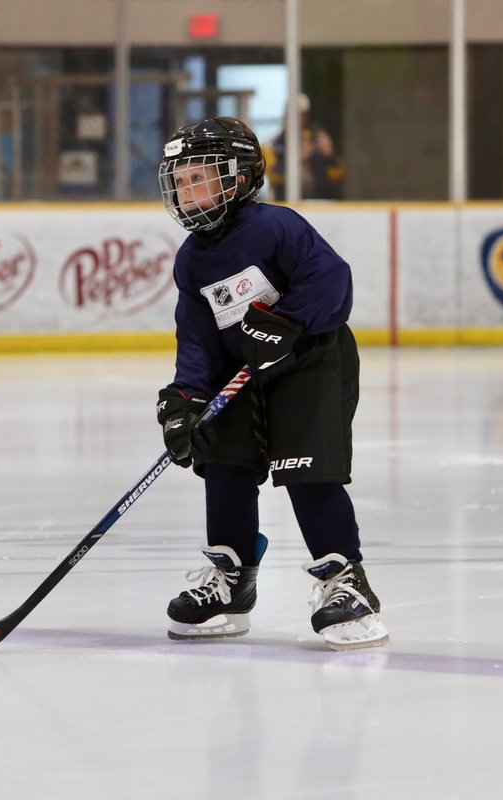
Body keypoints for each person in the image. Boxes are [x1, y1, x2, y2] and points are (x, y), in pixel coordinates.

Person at [153, 116, 387, 651]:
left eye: (198, 178)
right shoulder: (192, 261)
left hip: (311, 362)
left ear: (237, 179)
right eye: (180, 181)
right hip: (244, 374)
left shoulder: (276, 227)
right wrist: (185, 399)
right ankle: (232, 581)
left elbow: (333, 281)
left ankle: (345, 581)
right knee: (224, 459)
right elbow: (196, 338)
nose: (186, 192)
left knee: (305, 468)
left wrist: (288, 322)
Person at [264, 94, 345, 199]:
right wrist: (295, 158)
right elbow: (272, 176)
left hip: (320, 204)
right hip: (285, 203)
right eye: (293, 114)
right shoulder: (273, 145)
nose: (298, 118)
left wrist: (330, 154)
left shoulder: (317, 139)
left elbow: (338, 174)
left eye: (302, 114)